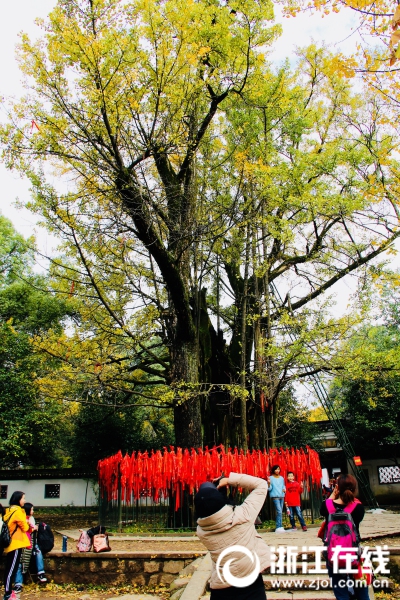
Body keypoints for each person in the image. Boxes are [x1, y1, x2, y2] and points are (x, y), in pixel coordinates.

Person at [195, 473, 270, 599]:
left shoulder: (202, 531)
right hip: (251, 584)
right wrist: (229, 480)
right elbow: (261, 484)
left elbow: (213, 513)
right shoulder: (243, 515)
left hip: (221, 588)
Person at [320, 474, 370, 600]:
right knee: (361, 589)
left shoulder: (327, 507)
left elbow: (325, 506)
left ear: (337, 488)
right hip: (354, 554)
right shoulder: (358, 508)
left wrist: (333, 494)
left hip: (334, 555)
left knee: (341, 592)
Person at [2, 491, 31, 600]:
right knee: (11, 570)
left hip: (10, 544)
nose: (24, 500)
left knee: (11, 569)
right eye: (23, 498)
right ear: (18, 499)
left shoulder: (8, 510)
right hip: (15, 543)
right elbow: (25, 527)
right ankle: (8, 593)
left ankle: (9, 592)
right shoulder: (18, 511)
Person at [14, 502, 47, 593]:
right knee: (19, 562)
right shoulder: (21, 518)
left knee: (38, 552)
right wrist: (33, 529)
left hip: (31, 543)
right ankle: (18, 583)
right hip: (21, 543)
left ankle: (41, 572)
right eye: (32, 509)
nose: (33, 511)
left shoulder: (31, 519)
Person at [267, 465, 286, 533]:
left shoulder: (281, 478)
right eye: (276, 469)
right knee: (279, 511)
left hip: (282, 496)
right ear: (273, 470)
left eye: (278, 469)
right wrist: (268, 484)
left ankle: (280, 526)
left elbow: (283, 485)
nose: (277, 471)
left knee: (280, 512)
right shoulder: (270, 478)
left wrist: (284, 489)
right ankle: (278, 526)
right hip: (275, 496)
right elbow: (269, 489)